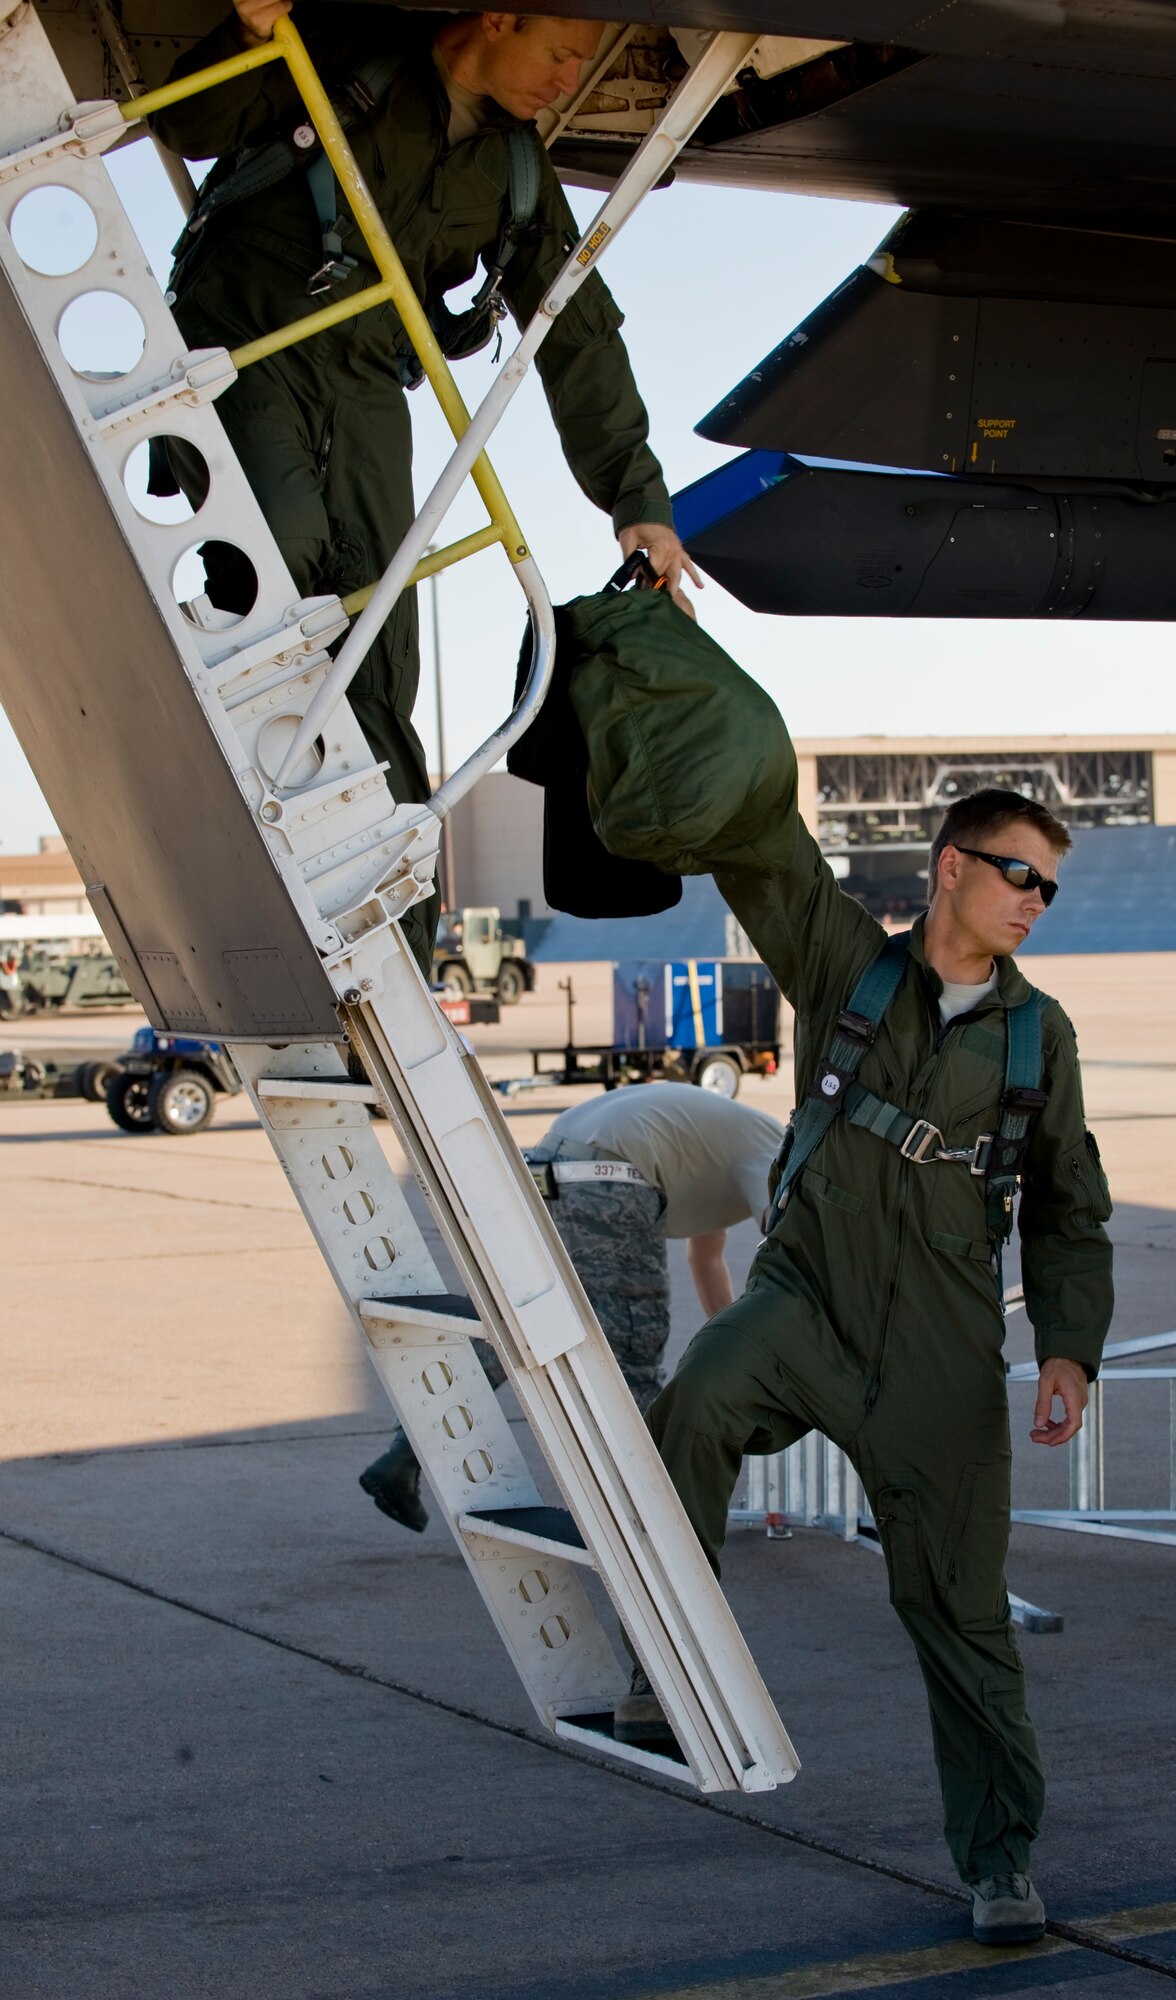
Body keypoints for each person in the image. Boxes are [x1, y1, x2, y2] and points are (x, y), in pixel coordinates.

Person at [608, 783, 1112, 1949]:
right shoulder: (851, 971)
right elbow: (767, 851)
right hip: (806, 1301)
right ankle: (666, 1668)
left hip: (941, 1355)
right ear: (950, 865)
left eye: (1048, 883)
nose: (1035, 900)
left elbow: (1069, 1208)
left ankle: (1000, 1863)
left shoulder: (1040, 1037)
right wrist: (663, 637)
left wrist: (1071, 1350)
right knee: (695, 1401)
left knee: (961, 1615)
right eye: (1016, 873)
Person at [150, 5, 699, 974]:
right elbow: (191, 129)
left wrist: (637, 499)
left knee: (380, 642)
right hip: (245, 354)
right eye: (562, 52)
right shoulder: (341, 59)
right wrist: (247, 32)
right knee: (292, 579)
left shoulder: (517, 170)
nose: (570, 79)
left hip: (366, 387)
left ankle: (392, 929)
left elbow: (574, 331)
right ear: (499, 19)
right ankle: (282, 868)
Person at [359, 1081, 786, 1530]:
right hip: (611, 1173)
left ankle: (401, 1456)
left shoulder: (718, 1149)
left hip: (546, 1167)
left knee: (517, 1327)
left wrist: (732, 1350)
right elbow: (781, 1245)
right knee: (632, 1349)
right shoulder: (774, 1149)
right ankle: (651, 1523)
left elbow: (706, 1259)